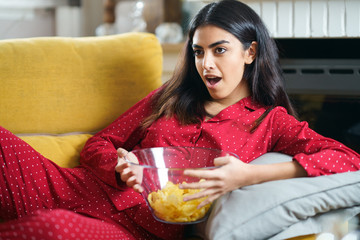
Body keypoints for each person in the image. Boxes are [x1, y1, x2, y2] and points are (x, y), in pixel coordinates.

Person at [0, 0, 359, 239]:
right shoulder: (168, 98)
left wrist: (249, 174)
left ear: (250, 52)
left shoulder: (271, 122)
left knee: (51, 228)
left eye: (220, 50)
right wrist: (118, 167)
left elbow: (348, 159)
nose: (206, 65)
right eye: (199, 52)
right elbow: (100, 142)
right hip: (72, 186)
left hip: (135, 229)